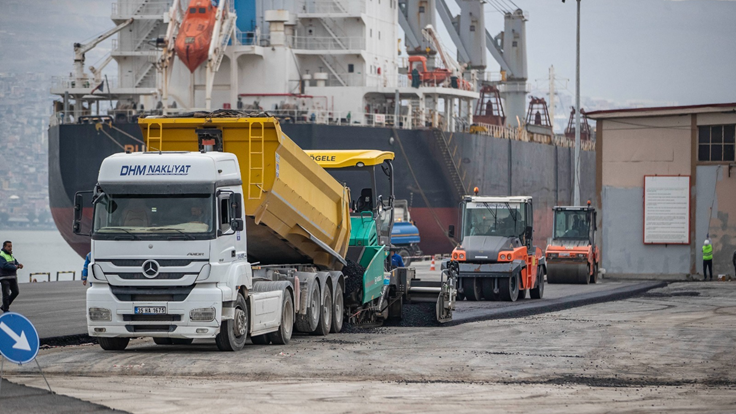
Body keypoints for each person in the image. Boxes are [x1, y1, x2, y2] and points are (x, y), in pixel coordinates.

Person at [0, 241, 23, 313]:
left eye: (11, 246)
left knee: (16, 292)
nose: (10, 248)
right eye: (8, 246)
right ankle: (6, 309)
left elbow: (15, 262)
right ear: (4, 247)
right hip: (4, 277)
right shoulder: (1, 255)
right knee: (6, 294)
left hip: (12, 277)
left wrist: (19, 265)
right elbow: (4, 265)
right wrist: (15, 267)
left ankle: (4, 306)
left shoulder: (11, 255)